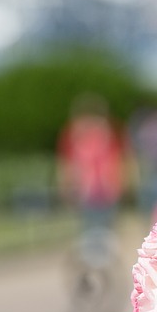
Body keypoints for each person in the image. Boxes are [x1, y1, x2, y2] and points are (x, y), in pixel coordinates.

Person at [56, 96, 126, 233]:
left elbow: (119, 159)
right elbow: (67, 163)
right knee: (90, 227)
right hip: (86, 187)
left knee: (104, 227)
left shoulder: (108, 132)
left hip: (104, 186)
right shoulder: (73, 133)